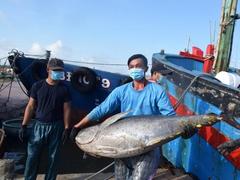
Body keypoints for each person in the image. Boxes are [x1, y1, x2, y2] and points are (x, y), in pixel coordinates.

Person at [70, 54, 176, 179]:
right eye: (131, 67)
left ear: (146, 68)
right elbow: (101, 109)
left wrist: (185, 128)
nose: (134, 69)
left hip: (148, 145)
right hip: (124, 143)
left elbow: (170, 117)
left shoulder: (157, 91)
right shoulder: (121, 91)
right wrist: (78, 126)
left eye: (138, 66)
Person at [19, 58, 71, 180]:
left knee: (54, 158)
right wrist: (24, 125)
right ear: (48, 70)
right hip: (38, 126)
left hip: (56, 127)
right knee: (32, 157)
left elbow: (67, 109)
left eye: (60, 70)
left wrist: (67, 128)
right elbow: (30, 106)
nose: (58, 72)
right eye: (55, 70)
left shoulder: (64, 89)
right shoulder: (38, 86)